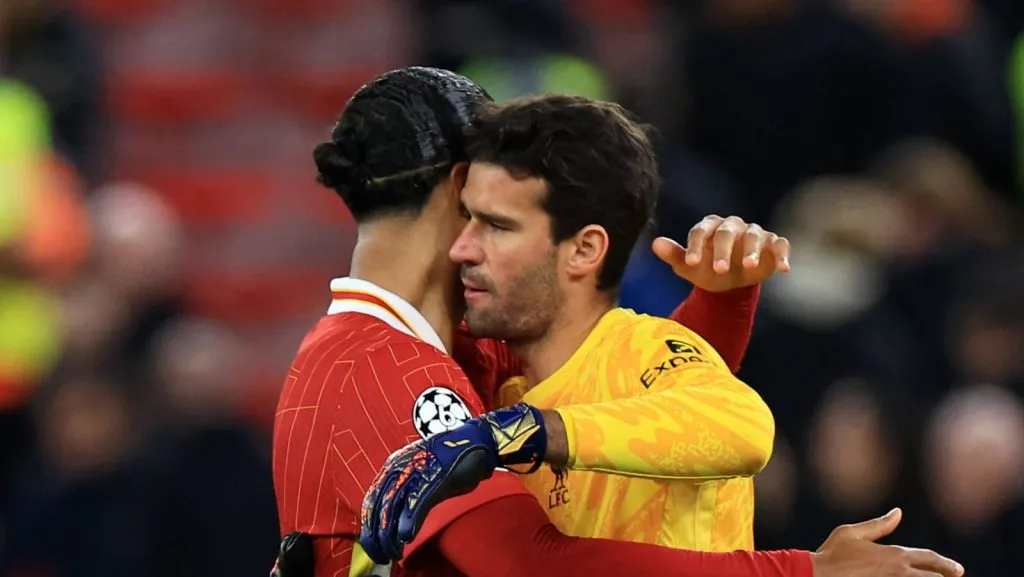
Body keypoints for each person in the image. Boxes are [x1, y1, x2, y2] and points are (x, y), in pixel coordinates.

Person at [356, 93, 964, 577]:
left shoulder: (645, 354)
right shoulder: (493, 394)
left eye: (496, 226)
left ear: (585, 250)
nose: (462, 249)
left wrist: (522, 434)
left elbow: (741, 426)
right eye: (467, 222)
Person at [270, 65, 803, 577]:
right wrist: (804, 570)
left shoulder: (474, 345)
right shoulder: (377, 370)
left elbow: (635, 399)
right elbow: (530, 564)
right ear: (465, 182)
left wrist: (722, 301)